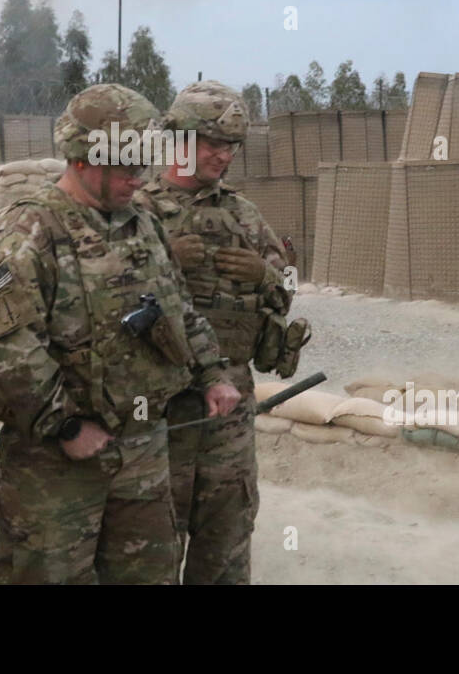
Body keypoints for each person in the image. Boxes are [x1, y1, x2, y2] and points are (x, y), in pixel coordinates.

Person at [0, 83, 241, 584]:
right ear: (82, 159)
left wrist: (214, 374)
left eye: (143, 165)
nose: (138, 179)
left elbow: (181, 312)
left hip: (142, 455)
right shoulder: (28, 231)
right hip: (57, 466)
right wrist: (65, 426)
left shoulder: (145, 225)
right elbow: (2, 345)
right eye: (125, 167)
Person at [134, 80, 304, 584]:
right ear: (180, 141)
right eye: (212, 143)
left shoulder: (242, 215)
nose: (223, 156)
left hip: (229, 408)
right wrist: (162, 261)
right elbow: (101, 297)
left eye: (230, 146)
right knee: (151, 544)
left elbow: (288, 286)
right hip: (160, 407)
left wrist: (266, 275)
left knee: (226, 539)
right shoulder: (138, 210)